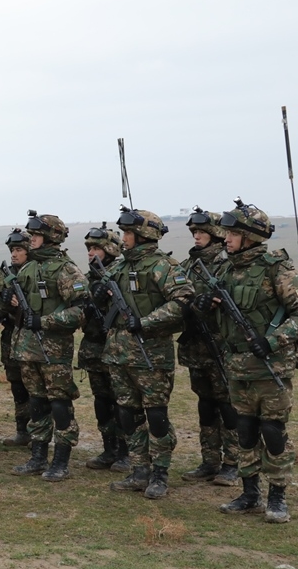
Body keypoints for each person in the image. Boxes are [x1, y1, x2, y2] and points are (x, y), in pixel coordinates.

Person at [194, 198, 297, 523]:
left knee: (273, 431)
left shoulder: (276, 267)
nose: (226, 238)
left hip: (271, 368)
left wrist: (272, 341)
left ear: (250, 236)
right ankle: (250, 493)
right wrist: (204, 304)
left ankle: (277, 496)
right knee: (245, 431)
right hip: (236, 366)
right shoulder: (225, 268)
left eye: (233, 234)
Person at [100, 207, 192, 500]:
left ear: (143, 236)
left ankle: (160, 473)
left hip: (151, 355)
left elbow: (183, 301)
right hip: (118, 354)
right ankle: (139, 469)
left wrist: (146, 322)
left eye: (128, 233)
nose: (123, 238)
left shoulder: (163, 266)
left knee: (156, 417)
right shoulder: (118, 267)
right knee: (127, 414)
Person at [3, 211, 87, 482]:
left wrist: (46, 321)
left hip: (53, 350)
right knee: (37, 403)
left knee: (60, 405)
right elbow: (21, 312)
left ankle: (60, 461)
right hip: (27, 349)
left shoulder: (66, 269)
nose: (32, 239)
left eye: (37, 235)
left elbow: (82, 309)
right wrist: (11, 303)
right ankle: (38, 457)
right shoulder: (28, 268)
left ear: (51, 237)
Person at [177, 208, 239, 485]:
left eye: (201, 232)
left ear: (215, 234)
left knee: (227, 405)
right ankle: (209, 460)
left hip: (221, 346)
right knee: (205, 405)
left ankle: (233, 462)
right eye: (193, 232)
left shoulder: (228, 264)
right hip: (196, 346)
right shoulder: (188, 265)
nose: (197, 236)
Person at [79, 223, 130, 472]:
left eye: (96, 248)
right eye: (89, 248)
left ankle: (126, 451)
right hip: (93, 347)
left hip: (118, 349)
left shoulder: (119, 275)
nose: (90, 253)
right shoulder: (88, 279)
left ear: (109, 250)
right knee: (102, 401)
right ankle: (109, 448)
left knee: (123, 401)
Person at [0, 228, 32, 447]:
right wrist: (3, 302)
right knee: (18, 388)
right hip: (11, 337)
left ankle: (38, 431)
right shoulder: (8, 276)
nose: (14, 254)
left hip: (32, 339)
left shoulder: (36, 274)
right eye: (12, 250)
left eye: (19, 249)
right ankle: (22, 430)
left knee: (36, 389)